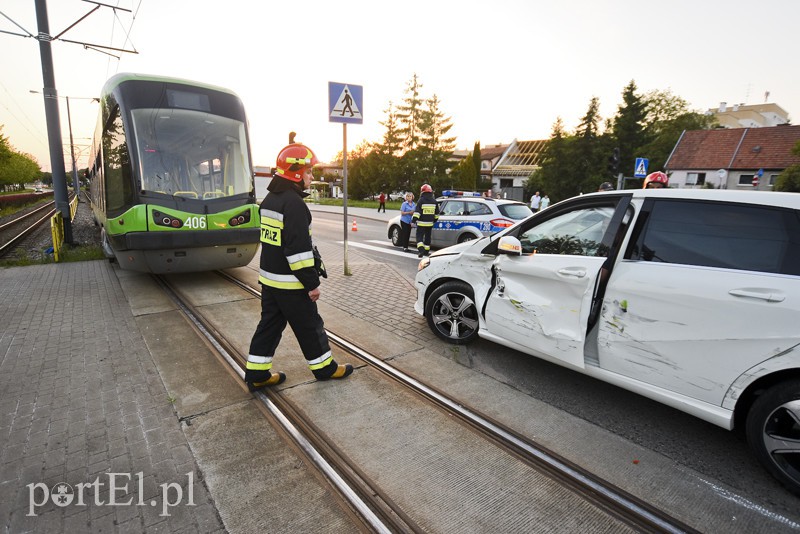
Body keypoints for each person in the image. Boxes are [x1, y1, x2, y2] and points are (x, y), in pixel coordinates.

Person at [245, 142, 353, 391]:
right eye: (308, 172)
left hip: (270, 281)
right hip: (290, 284)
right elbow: (298, 253)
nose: (311, 177)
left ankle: (257, 373)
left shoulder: (269, 200)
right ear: (295, 173)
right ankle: (324, 369)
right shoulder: (294, 204)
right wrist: (312, 284)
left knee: (269, 327)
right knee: (310, 327)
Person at [413, 183, 440, 257]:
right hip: (430, 223)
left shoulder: (421, 200)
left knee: (419, 237)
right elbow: (437, 214)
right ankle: (426, 251)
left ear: (422, 192)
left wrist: (413, 220)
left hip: (421, 223)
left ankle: (421, 250)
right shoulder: (434, 201)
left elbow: (417, 212)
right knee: (428, 237)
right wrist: (434, 220)